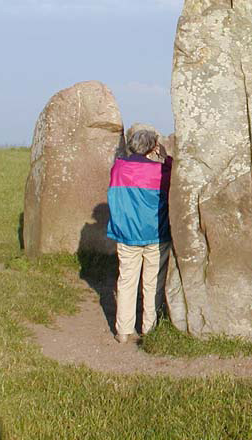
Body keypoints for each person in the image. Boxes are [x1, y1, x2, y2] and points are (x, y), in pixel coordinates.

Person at [106, 129, 172, 343]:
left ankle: (123, 331)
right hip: (156, 233)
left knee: (126, 281)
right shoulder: (161, 171)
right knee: (153, 282)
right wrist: (164, 157)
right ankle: (149, 328)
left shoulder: (118, 168)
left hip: (127, 233)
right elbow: (173, 174)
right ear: (153, 148)